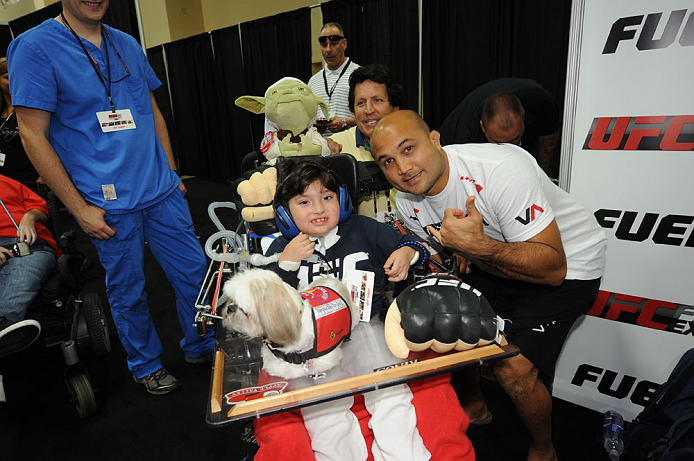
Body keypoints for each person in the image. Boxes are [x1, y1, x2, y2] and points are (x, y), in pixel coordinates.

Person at [370, 110, 607, 461]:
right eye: (387, 161)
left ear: (435, 139)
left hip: (568, 264)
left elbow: (552, 268)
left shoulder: (499, 170)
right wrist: (439, 251)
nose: (402, 169)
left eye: (408, 149)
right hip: (494, 260)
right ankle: (475, 406)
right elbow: (444, 246)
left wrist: (473, 247)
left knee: (512, 368)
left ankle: (544, 450)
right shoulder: (406, 200)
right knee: (451, 326)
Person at [7, 0, 214, 395]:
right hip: (106, 202)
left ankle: (200, 344)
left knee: (196, 278)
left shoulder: (127, 43)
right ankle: (145, 363)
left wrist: (171, 170)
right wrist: (78, 207)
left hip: (160, 189)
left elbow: (150, 109)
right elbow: (32, 133)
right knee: (129, 289)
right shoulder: (34, 47)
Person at [255, 157, 474, 461]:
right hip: (311, 345)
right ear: (284, 214)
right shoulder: (278, 248)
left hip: (368, 328)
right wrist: (287, 265)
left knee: (391, 394)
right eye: (305, 202)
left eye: (327, 198)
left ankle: (403, 455)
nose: (318, 209)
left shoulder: (363, 229)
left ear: (343, 201)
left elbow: (416, 244)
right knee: (323, 409)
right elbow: (265, 305)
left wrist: (406, 252)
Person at [438, 78, 561, 175]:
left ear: (523, 118)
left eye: (514, 139)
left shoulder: (541, 103)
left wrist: (541, 174)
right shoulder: (463, 138)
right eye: (498, 142)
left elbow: (548, 139)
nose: (508, 148)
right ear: (483, 127)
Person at [328, 63, 404, 220]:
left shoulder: (412, 146)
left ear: (395, 108)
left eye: (377, 100)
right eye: (361, 103)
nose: (368, 110)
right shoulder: (335, 148)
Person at [0, 174, 59, 356]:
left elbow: (40, 206)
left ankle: (5, 323)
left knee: (21, 275)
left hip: (29, 247)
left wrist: (29, 217)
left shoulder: (6, 182)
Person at [308, 22, 360, 138]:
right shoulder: (313, 81)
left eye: (334, 44)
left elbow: (371, 117)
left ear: (344, 44)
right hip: (321, 149)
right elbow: (306, 120)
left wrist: (346, 123)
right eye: (324, 45)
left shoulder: (360, 74)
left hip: (351, 148)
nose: (328, 49)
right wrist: (314, 124)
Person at [0, 57, 42, 194]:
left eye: (16, 76)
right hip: (4, 180)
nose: (12, 81)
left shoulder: (32, 107)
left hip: (29, 180)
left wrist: (44, 175)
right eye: (7, 77)